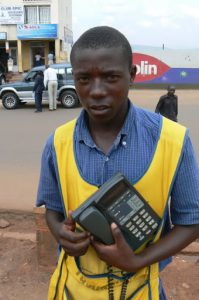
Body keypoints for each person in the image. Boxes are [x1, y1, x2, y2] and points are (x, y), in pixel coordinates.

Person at [36, 26, 199, 300]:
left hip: (140, 290)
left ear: (132, 76)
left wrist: (138, 260)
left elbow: (192, 222)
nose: (97, 91)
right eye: (84, 79)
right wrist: (61, 235)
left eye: (111, 77)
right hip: (71, 290)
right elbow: (52, 210)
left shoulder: (173, 141)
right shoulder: (57, 143)